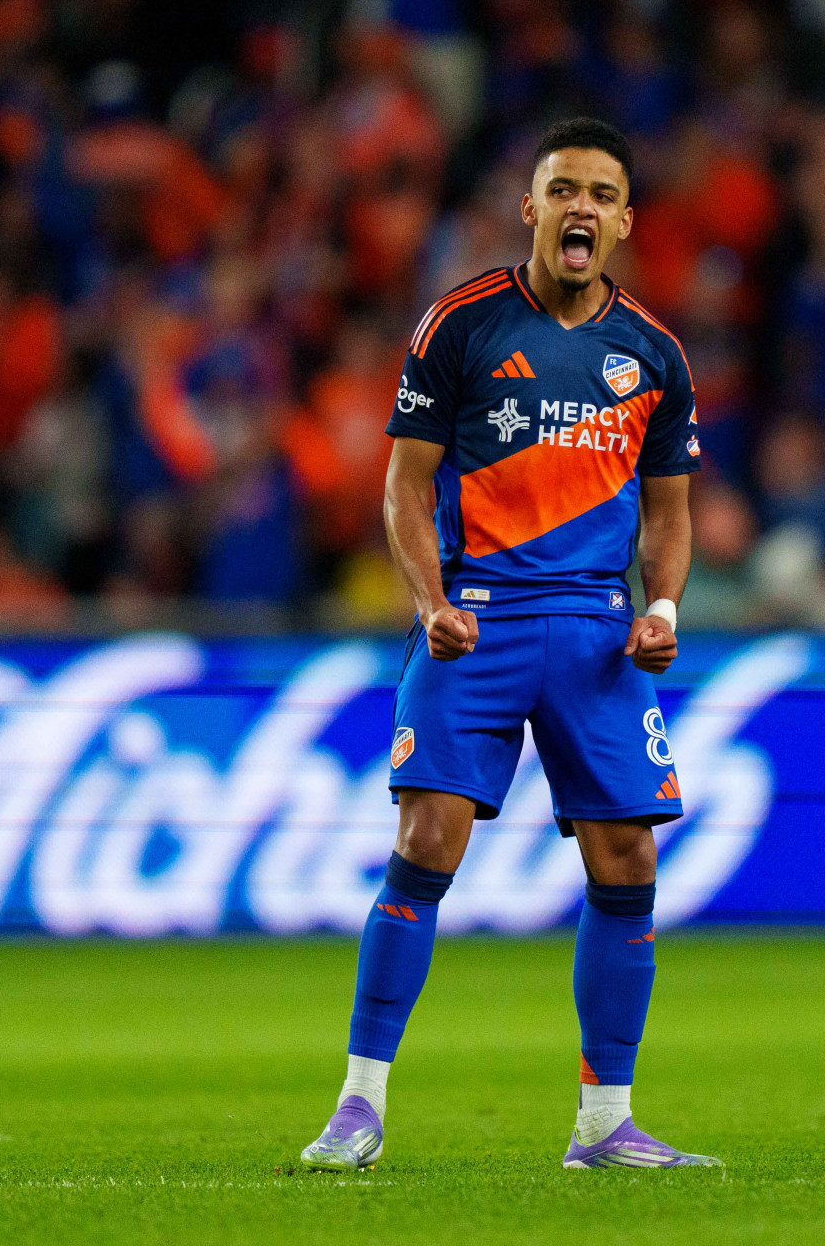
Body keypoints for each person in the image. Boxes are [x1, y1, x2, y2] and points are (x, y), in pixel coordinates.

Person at [299, 118, 716, 1173]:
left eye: (602, 194)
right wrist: (430, 599)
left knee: (628, 858)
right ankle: (357, 1106)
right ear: (531, 208)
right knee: (426, 841)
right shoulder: (461, 324)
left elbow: (670, 513)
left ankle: (604, 1122)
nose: (582, 208)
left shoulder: (654, 355)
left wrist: (663, 610)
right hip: (477, 621)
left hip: (596, 632)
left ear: (625, 221)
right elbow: (404, 485)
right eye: (563, 189)